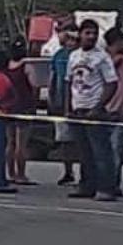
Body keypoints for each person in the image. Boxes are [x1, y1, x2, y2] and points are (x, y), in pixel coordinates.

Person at [67, 19, 119, 201]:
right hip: (78, 108)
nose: (91, 37)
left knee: (101, 152)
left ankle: (106, 188)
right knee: (84, 152)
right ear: (80, 34)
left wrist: (98, 107)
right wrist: (68, 108)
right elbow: (68, 82)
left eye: (94, 33)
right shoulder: (73, 56)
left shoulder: (102, 57)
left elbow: (112, 83)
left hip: (94, 109)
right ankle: (86, 185)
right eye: (87, 33)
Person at [49, 26, 79, 185]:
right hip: (60, 102)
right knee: (64, 139)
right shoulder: (58, 55)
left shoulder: (80, 56)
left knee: (80, 140)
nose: (71, 42)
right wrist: (52, 98)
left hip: (79, 102)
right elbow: (53, 77)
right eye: (69, 38)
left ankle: (86, 173)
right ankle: (68, 171)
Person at [5, 37, 36, 186]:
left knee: (10, 142)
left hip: (9, 107)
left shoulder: (7, 66)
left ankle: (10, 173)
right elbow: (34, 85)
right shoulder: (27, 66)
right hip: (24, 107)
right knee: (21, 144)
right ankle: (21, 174)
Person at [105, 27, 123, 196]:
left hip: (121, 109)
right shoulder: (107, 60)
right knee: (113, 149)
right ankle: (110, 184)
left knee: (116, 148)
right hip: (112, 109)